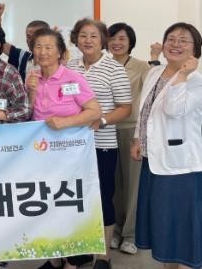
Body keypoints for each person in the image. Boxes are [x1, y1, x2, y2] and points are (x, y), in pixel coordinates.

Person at [25, 28, 101, 269]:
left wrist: (65, 122)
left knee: (69, 204)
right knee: (49, 203)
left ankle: (73, 260)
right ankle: (55, 255)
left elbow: (94, 111)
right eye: (38, 46)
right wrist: (31, 92)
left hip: (71, 155)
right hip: (43, 154)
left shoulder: (72, 78)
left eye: (49, 47)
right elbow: (28, 114)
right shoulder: (33, 77)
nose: (43, 52)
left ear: (60, 52)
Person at [132, 22, 202, 269]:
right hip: (154, 160)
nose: (175, 44)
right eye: (171, 39)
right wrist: (138, 138)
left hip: (180, 167)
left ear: (195, 49)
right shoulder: (156, 72)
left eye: (183, 41)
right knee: (164, 228)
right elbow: (145, 109)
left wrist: (181, 75)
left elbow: (174, 110)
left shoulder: (196, 81)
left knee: (181, 230)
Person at [66, 19, 132, 269]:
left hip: (102, 144)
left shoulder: (114, 68)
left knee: (103, 198)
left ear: (103, 40)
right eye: (83, 35)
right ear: (76, 38)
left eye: (94, 36)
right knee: (76, 198)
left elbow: (125, 107)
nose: (88, 40)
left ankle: (103, 256)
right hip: (71, 146)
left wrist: (102, 120)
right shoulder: (70, 66)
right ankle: (80, 252)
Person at [107, 23, 162, 255]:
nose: (116, 43)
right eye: (112, 38)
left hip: (131, 130)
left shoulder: (140, 66)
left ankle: (131, 234)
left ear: (130, 42)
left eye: (122, 38)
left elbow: (155, 88)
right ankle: (115, 230)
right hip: (105, 130)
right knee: (112, 185)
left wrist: (154, 58)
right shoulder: (103, 65)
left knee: (132, 186)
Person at [0, 2, 50, 80]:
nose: (31, 40)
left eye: (35, 36)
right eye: (28, 36)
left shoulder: (55, 61)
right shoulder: (22, 56)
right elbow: (2, 43)